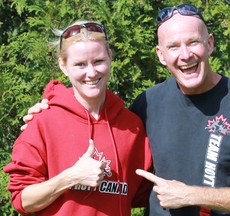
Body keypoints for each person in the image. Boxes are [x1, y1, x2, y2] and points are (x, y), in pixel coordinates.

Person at [19, 4, 230, 216]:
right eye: (173, 46)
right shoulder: (147, 103)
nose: (185, 55)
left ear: (210, 44)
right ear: (160, 55)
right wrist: (48, 110)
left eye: (193, 42)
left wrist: (192, 195)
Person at [3, 20, 153, 216]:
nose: (91, 73)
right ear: (63, 66)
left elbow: (142, 194)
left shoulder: (131, 126)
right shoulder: (43, 122)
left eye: (98, 61)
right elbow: (22, 199)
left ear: (110, 57)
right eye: (80, 64)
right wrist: (70, 177)